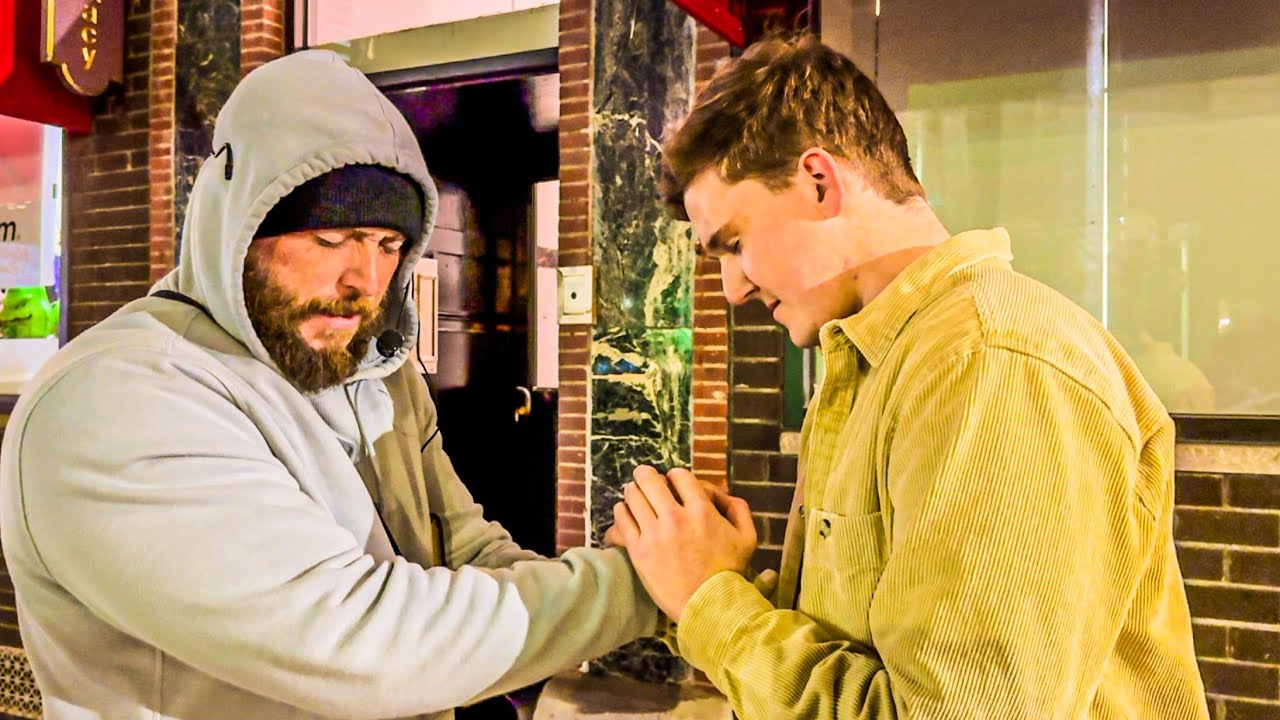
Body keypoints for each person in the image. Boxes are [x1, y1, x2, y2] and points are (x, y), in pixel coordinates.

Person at [0, 50, 657, 720]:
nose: (365, 283)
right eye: (332, 237)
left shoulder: (374, 373)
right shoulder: (116, 400)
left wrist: (650, 577)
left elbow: (464, 549)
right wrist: (646, 587)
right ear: (239, 226)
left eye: (388, 245)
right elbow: (365, 648)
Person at [609, 35, 1210, 719]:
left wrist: (711, 602)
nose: (732, 288)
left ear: (818, 181)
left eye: (736, 243)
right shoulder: (884, 361)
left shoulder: (989, 363)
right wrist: (717, 580)